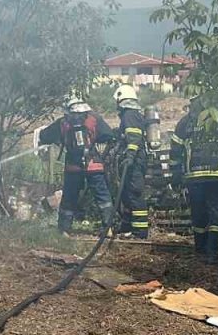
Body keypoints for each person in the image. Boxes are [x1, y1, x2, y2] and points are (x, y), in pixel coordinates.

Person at [169, 96, 218, 264]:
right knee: (217, 215)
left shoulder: (186, 122)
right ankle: (212, 254)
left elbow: (175, 150)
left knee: (199, 214)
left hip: (195, 177)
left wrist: (176, 175)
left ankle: (200, 251)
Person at [37, 95, 117, 232]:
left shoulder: (63, 122)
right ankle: (108, 229)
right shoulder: (94, 118)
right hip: (93, 165)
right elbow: (108, 135)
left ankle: (64, 229)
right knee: (103, 197)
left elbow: (44, 136)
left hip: (73, 167)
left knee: (69, 197)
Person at [113, 85, 149, 239]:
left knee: (135, 194)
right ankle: (128, 226)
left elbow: (134, 138)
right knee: (127, 194)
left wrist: (130, 157)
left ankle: (140, 232)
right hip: (133, 160)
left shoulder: (129, 115)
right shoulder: (132, 115)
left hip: (134, 161)